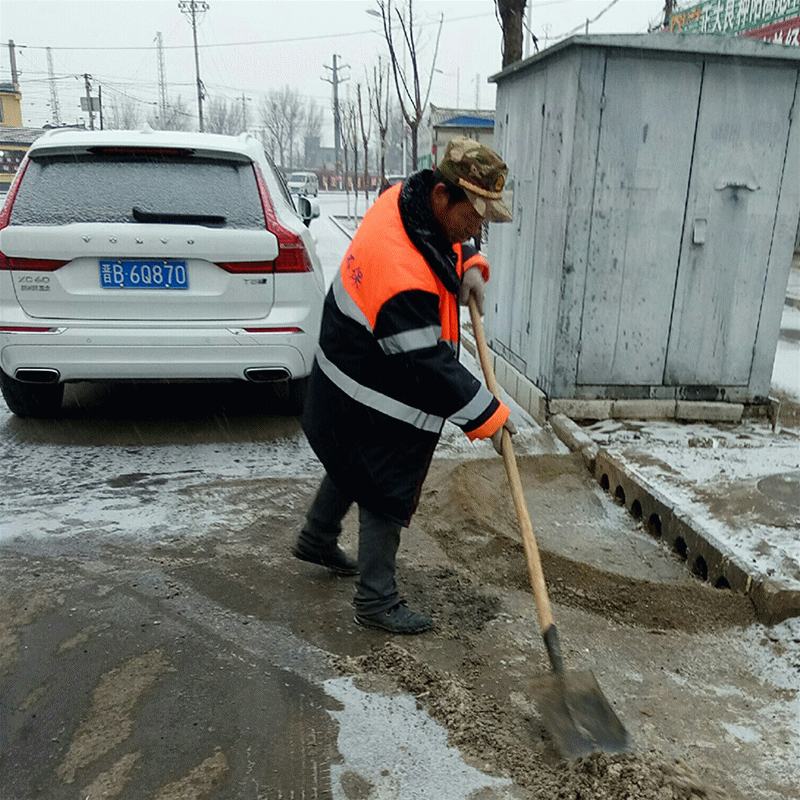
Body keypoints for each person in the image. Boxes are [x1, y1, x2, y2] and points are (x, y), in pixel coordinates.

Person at [293, 136, 516, 634]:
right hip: (368, 379)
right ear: (443, 197)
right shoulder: (400, 275)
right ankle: (375, 600)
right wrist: (489, 415)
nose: (479, 226)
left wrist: (467, 265)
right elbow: (430, 365)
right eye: (476, 214)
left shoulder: (405, 200)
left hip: (351, 360)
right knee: (383, 478)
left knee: (350, 457)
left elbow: (439, 247)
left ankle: (316, 536)